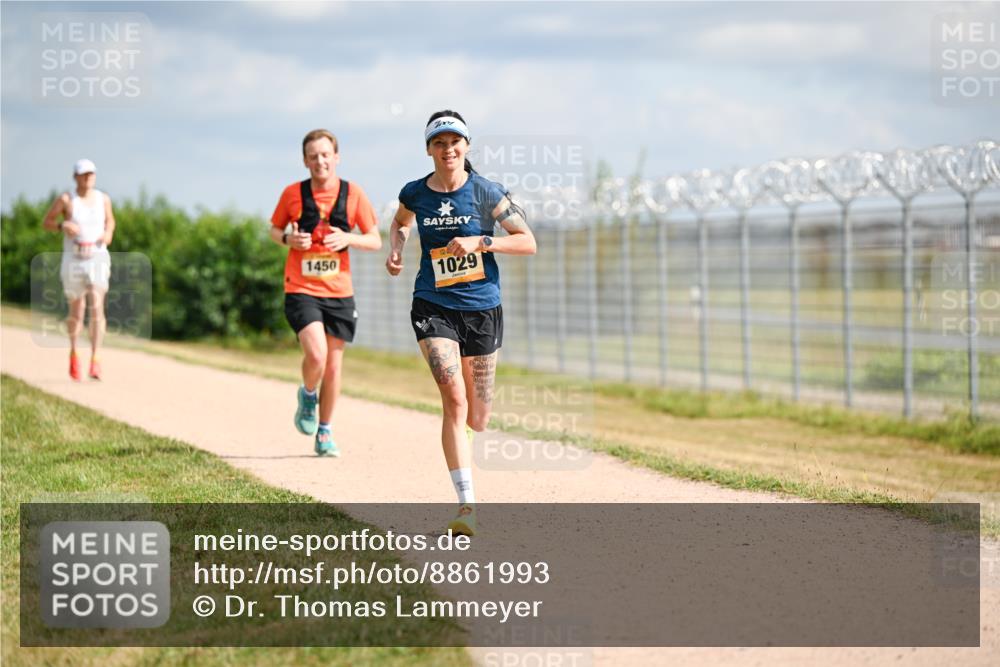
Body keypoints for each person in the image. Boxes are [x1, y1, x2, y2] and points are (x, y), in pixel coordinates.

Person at [386, 110, 536, 535]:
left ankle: (467, 445)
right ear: (429, 149)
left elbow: (528, 242)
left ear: (466, 147)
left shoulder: (486, 192)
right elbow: (399, 223)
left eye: (455, 142)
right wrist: (395, 250)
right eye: (439, 142)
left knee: (479, 416)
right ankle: (466, 506)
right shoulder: (415, 193)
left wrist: (482, 241)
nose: (447, 149)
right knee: (453, 399)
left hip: (483, 308)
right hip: (432, 304)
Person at [271, 129, 382, 456]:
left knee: (333, 367)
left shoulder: (353, 194)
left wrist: (349, 239)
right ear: (305, 160)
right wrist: (288, 240)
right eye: (313, 155)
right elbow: (275, 229)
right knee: (316, 355)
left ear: (336, 157)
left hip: (339, 291)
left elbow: (374, 239)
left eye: (325, 154)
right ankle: (308, 395)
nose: (320, 161)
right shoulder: (292, 193)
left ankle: (325, 431)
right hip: (301, 287)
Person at [42, 158, 115, 381]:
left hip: (97, 257)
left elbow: (111, 222)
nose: (88, 178)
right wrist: (62, 225)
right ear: (76, 177)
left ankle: (95, 359)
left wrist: (108, 233)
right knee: (77, 311)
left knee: (96, 306)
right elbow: (47, 222)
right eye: (84, 174)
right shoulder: (66, 199)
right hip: (73, 259)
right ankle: (74, 353)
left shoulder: (103, 199)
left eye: (91, 174)